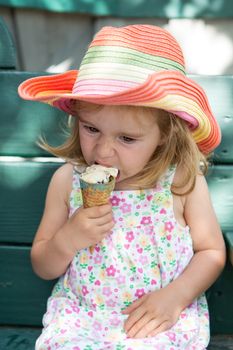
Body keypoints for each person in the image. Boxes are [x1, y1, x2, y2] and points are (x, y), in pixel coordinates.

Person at [18, 24, 225, 350]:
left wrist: (175, 297)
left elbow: (212, 251)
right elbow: (43, 264)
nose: (102, 152)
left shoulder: (181, 182)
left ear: (165, 136)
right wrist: (68, 239)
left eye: (126, 138)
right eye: (91, 129)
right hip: (83, 319)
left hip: (155, 321)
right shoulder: (67, 181)